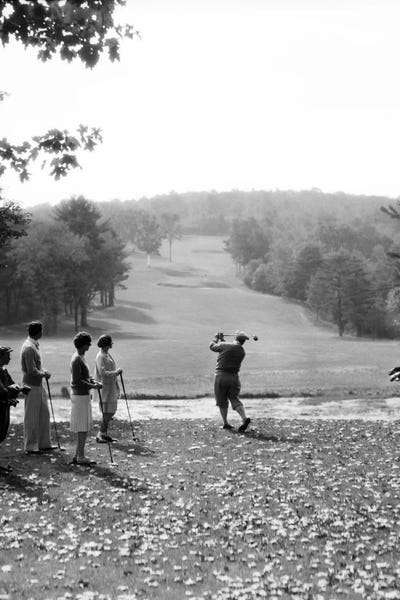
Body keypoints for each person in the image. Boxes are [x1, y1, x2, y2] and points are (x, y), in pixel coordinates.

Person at [20, 321, 56, 455]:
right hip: (31, 386)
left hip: (38, 385)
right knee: (31, 416)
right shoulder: (29, 347)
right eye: (42, 330)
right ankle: (30, 446)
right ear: (38, 332)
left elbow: (36, 367)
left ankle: (44, 443)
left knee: (44, 414)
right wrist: (44, 373)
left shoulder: (34, 345)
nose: (43, 332)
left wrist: (43, 371)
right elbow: (31, 370)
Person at [70, 331, 102, 466]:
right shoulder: (77, 358)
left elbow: (85, 377)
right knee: (82, 426)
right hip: (80, 395)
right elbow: (77, 381)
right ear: (82, 345)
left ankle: (78, 455)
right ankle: (81, 457)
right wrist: (93, 387)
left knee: (83, 425)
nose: (89, 347)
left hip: (83, 395)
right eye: (88, 344)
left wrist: (93, 382)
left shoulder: (81, 356)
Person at [209, 330, 251, 432]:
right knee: (234, 399)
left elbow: (212, 346)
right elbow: (226, 349)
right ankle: (244, 418)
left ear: (235, 338)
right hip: (234, 378)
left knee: (222, 400)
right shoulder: (242, 351)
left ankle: (226, 423)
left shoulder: (226, 345)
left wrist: (216, 337)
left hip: (221, 376)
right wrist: (222, 340)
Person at [0, 346, 28, 472]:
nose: (10, 358)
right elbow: (4, 391)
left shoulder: (4, 371)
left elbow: (13, 384)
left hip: (5, 407)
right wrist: (13, 389)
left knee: (2, 433)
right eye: (7, 355)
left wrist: (19, 389)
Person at [94, 334, 122, 443]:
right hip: (105, 388)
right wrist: (116, 373)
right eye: (110, 342)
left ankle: (104, 433)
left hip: (111, 387)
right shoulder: (100, 356)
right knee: (107, 412)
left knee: (111, 411)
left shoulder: (107, 354)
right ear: (107, 344)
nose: (112, 344)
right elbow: (102, 372)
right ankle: (100, 434)